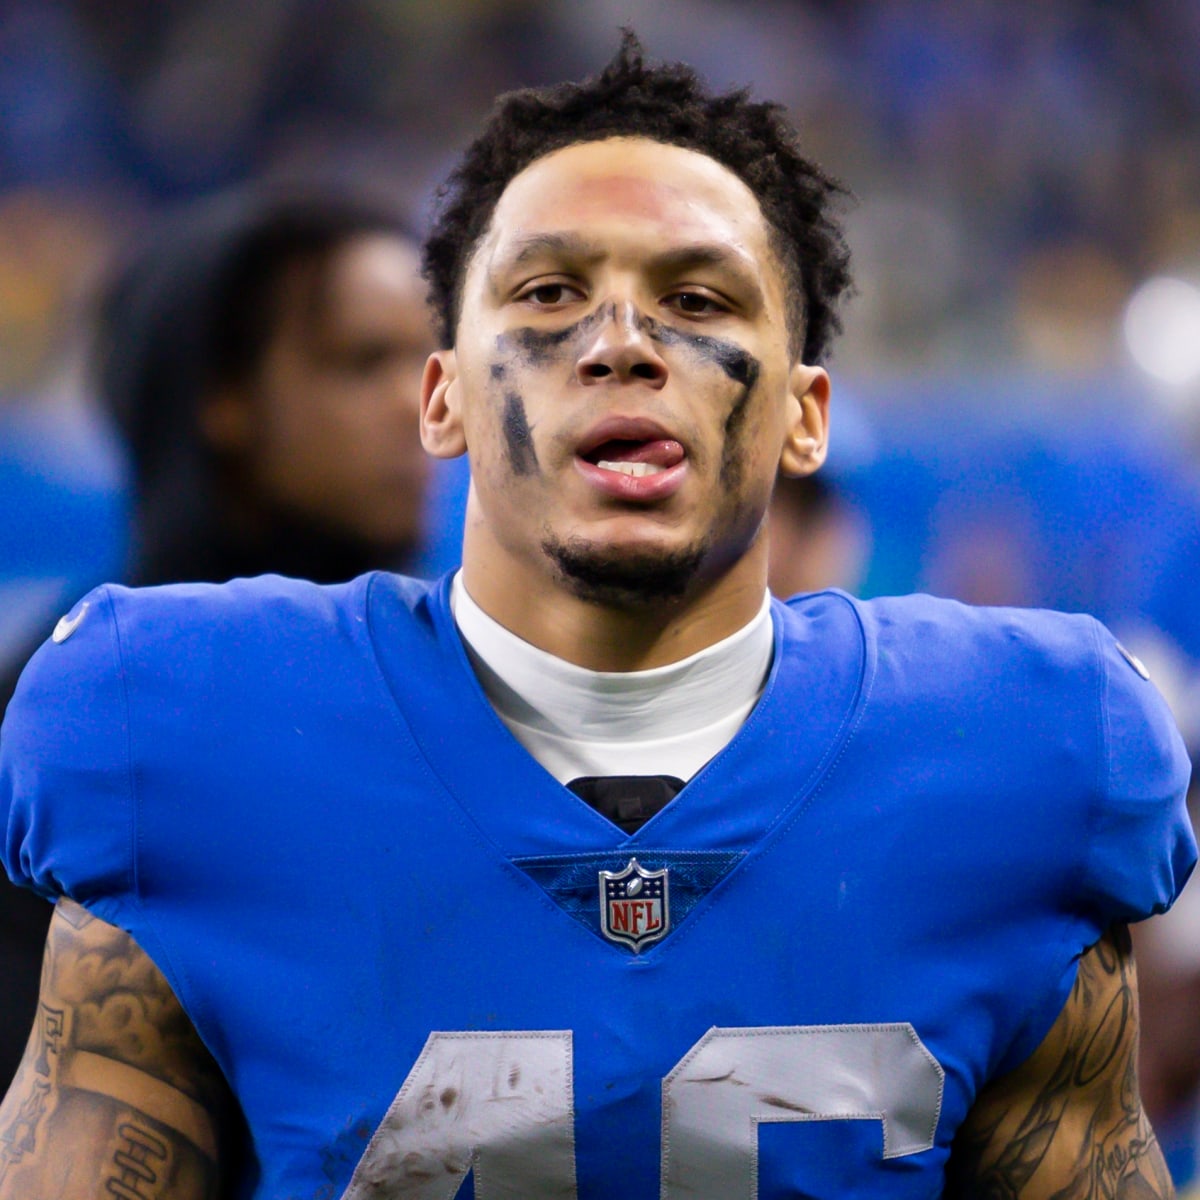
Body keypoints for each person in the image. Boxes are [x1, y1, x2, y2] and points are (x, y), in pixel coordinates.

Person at [0, 33, 1194, 1198]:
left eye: (698, 297)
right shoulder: (186, 737)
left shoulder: (1017, 760)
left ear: (806, 416)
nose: (622, 342)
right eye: (550, 291)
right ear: (444, 394)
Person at [0, 185, 439, 1092]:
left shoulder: (465, 683)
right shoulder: (70, 717)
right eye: (364, 364)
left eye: (431, 362)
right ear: (221, 401)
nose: (424, 409)